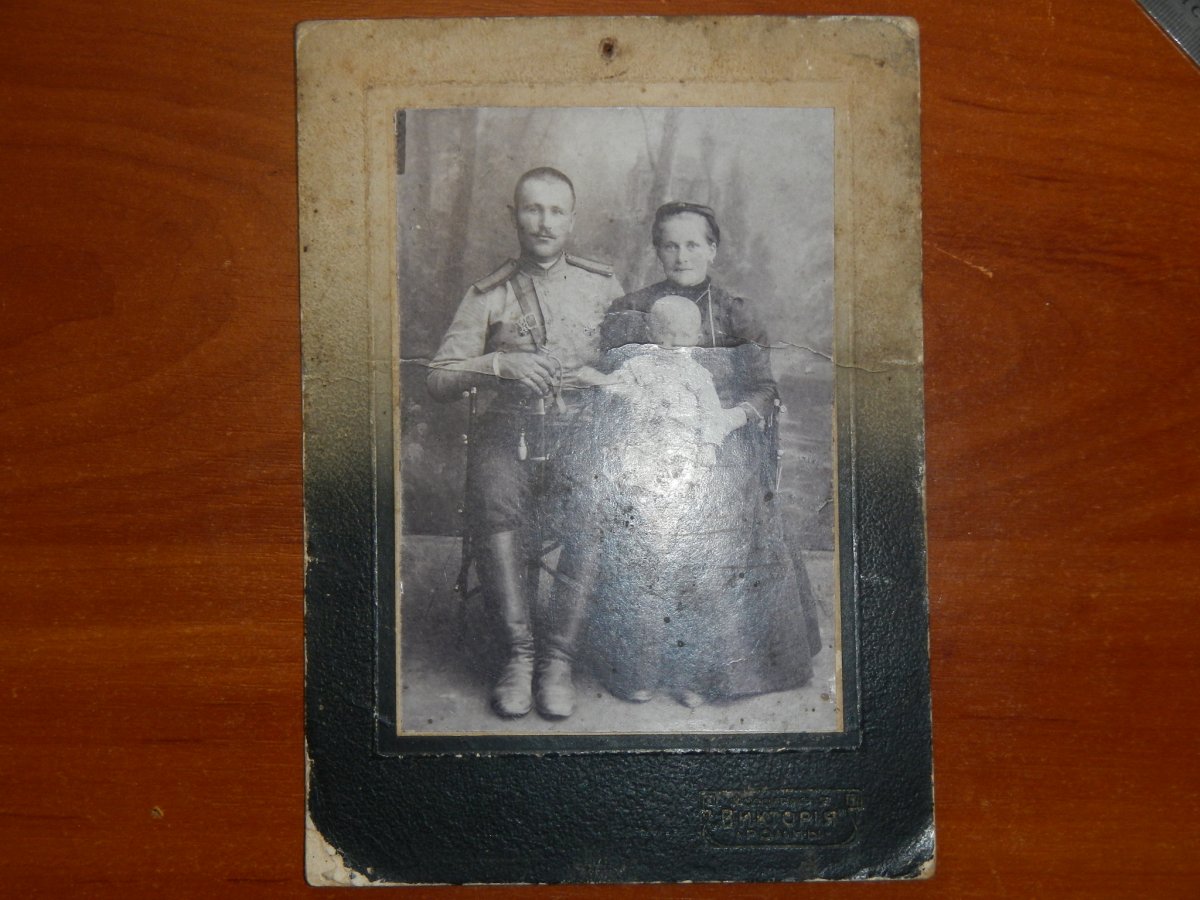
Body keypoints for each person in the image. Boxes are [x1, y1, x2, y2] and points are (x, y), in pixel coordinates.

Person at [585, 201, 822, 708]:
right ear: (657, 250)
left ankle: (706, 670)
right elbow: (613, 386)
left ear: (713, 249)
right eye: (670, 244)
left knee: (721, 508)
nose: (682, 255)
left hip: (722, 442)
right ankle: (642, 662)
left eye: (693, 244)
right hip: (648, 442)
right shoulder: (631, 309)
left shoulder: (737, 312)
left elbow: (763, 389)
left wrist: (726, 420)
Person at [426, 167, 624, 720]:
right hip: (506, 431)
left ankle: (558, 660)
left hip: (583, 434)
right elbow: (437, 378)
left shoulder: (603, 286)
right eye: (533, 209)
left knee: (598, 505)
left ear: (572, 219)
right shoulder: (488, 293)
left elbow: (636, 363)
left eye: (556, 211)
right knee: (493, 500)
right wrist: (498, 363)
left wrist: (600, 379)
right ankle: (518, 656)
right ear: (514, 215)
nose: (544, 222)